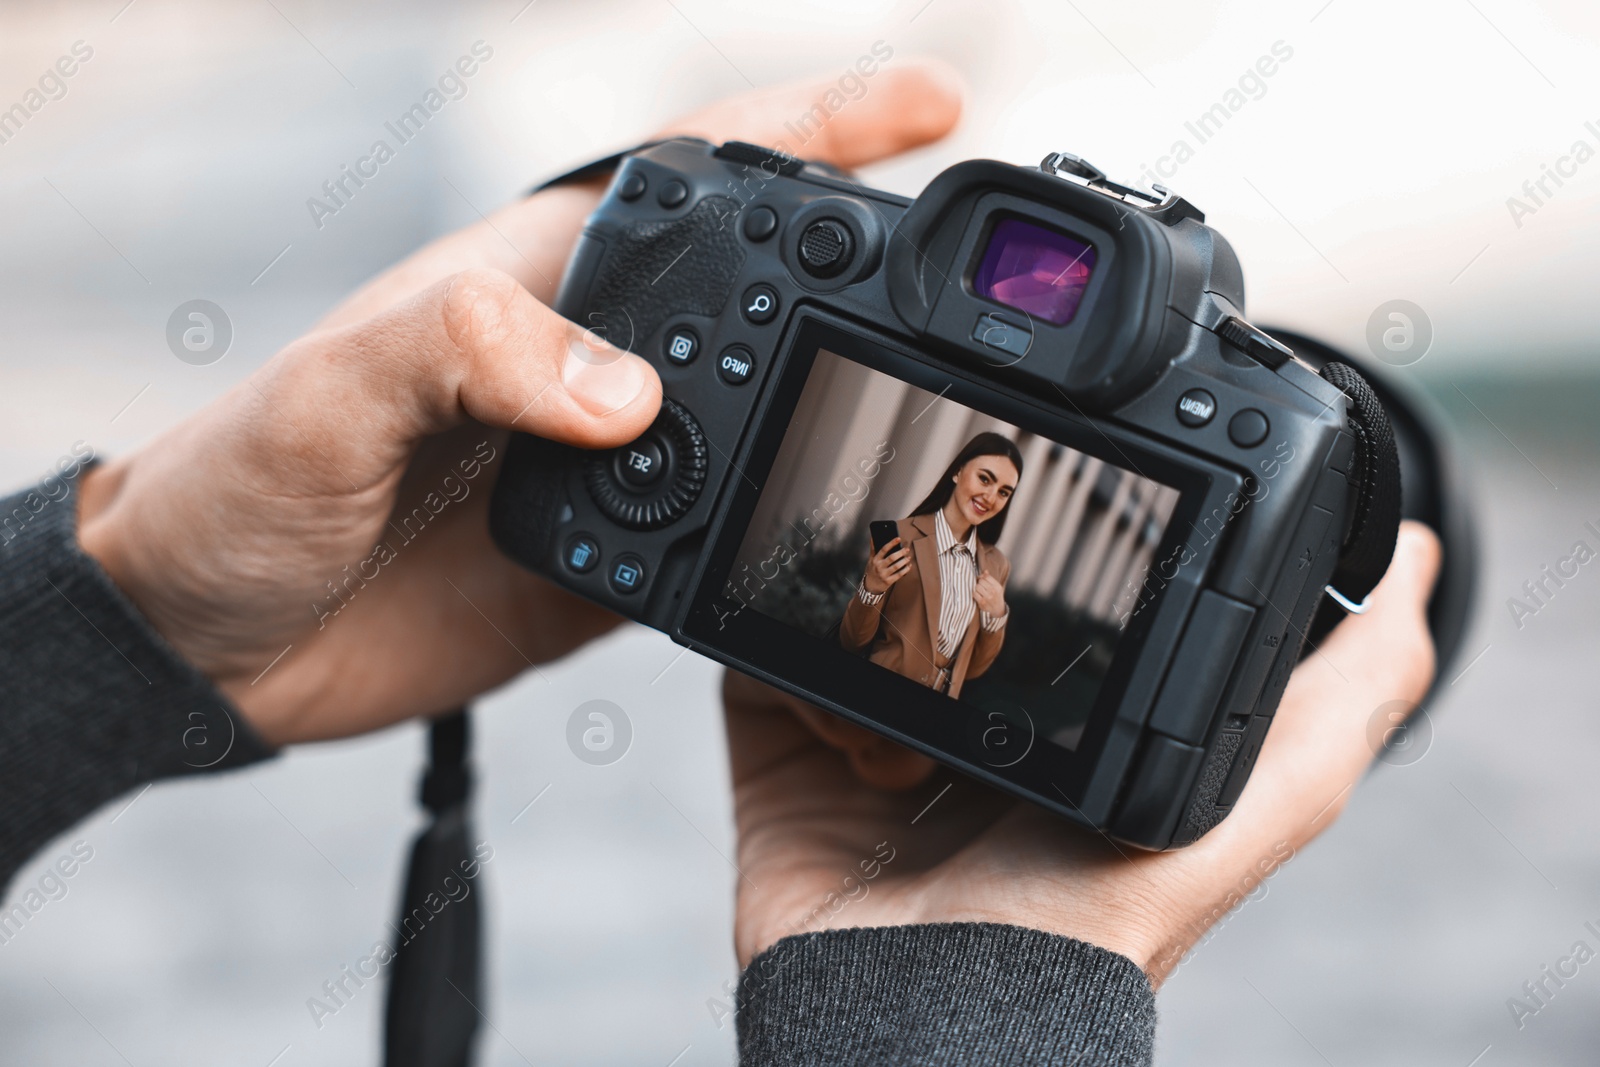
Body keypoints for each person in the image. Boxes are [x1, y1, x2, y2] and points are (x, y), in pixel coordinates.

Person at [0, 58, 1443, 1066]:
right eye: (983, 470)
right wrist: (954, 1016)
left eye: (1010, 482)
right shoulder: (895, 542)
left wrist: (109, 612)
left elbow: (967, 649)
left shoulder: (985, 574)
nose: (994, 487)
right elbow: (870, 601)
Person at [840, 432, 1022, 697]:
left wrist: (996, 616)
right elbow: (852, 641)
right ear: (958, 472)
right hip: (877, 697)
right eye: (985, 479)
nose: (991, 497)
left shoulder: (997, 566)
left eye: (1004, 492)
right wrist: (873, 587)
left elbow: (971, 670)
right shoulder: (902, 537)